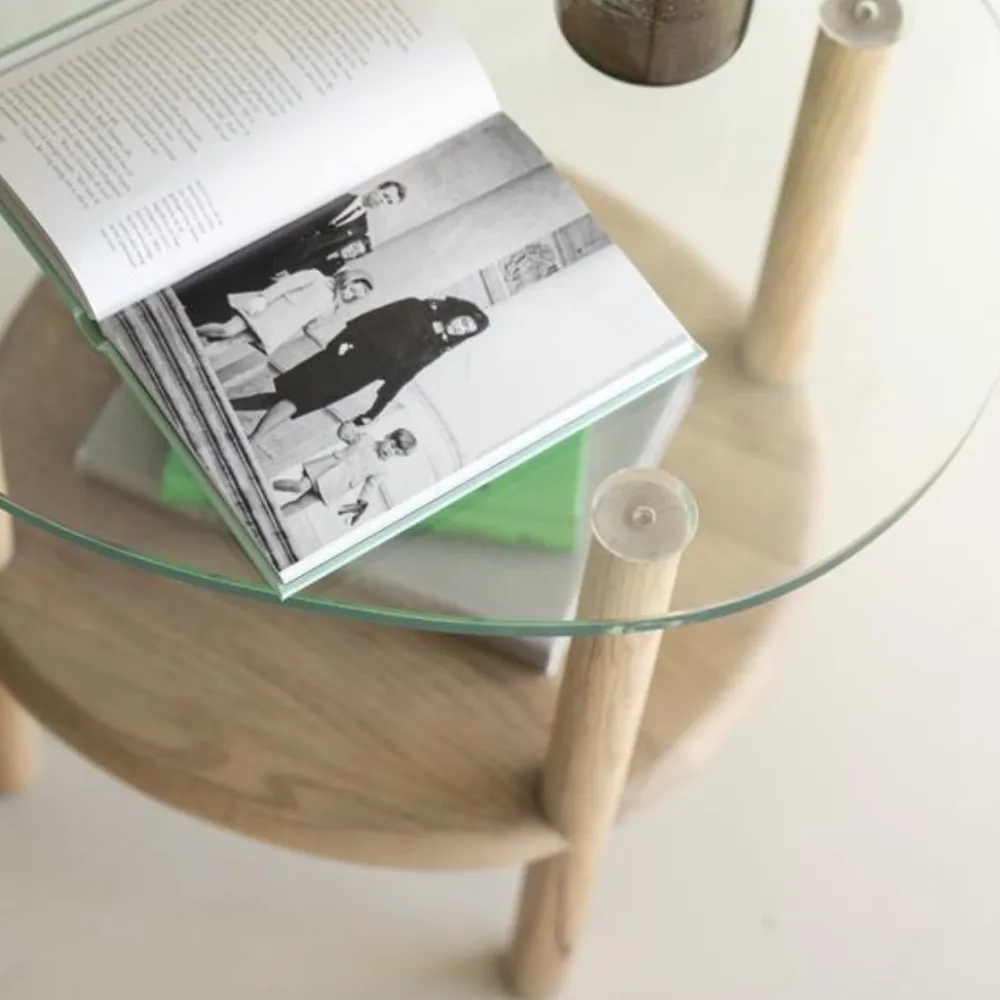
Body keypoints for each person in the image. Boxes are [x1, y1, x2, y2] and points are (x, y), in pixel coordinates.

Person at [230, 296, 490, 444]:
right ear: (458, 312)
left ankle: (230, 406)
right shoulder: (415, 307)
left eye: (467, 330)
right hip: (347, 353)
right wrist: (341, 342)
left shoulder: (436, 349)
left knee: (283, 399)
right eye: (464, 321)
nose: (461, 328)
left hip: (360, 377)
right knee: (298, 398)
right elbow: (372, 319)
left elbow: (403, 377)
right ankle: (254, 439)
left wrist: (375, 411)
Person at [197, 268, 375, 355]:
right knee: (226, 330)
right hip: (265, 310)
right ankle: (192, 332)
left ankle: (197, 356)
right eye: (353, 289)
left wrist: (325, 342)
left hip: (275, 329)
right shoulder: (316, 277)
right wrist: (264, 298)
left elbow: (309, 327)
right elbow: (285, 285)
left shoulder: (331, 307)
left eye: (354, 296)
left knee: (231, 342)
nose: (349, 294)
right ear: (349, 279)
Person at [273, 427, 418, 520]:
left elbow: (370, 488)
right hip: (327, 468)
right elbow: (346, 435)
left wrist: (361, 504)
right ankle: (269, 486)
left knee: (301, 504)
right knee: (299, 486)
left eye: (396, 453)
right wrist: (347, 428)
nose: (391, 452)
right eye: (392, 446)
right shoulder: (367, 439)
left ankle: (277, 516)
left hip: (335, 486)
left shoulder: (381, 470)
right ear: (388, 436)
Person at [276, 181, 406, 276]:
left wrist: (292, 271)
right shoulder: (340, 193)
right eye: (385, 196)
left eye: (389, 202)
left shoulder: (361, 229)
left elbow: (323, 253)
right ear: (378, 187)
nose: (383, 202)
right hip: (280, 233)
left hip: (292, 259)